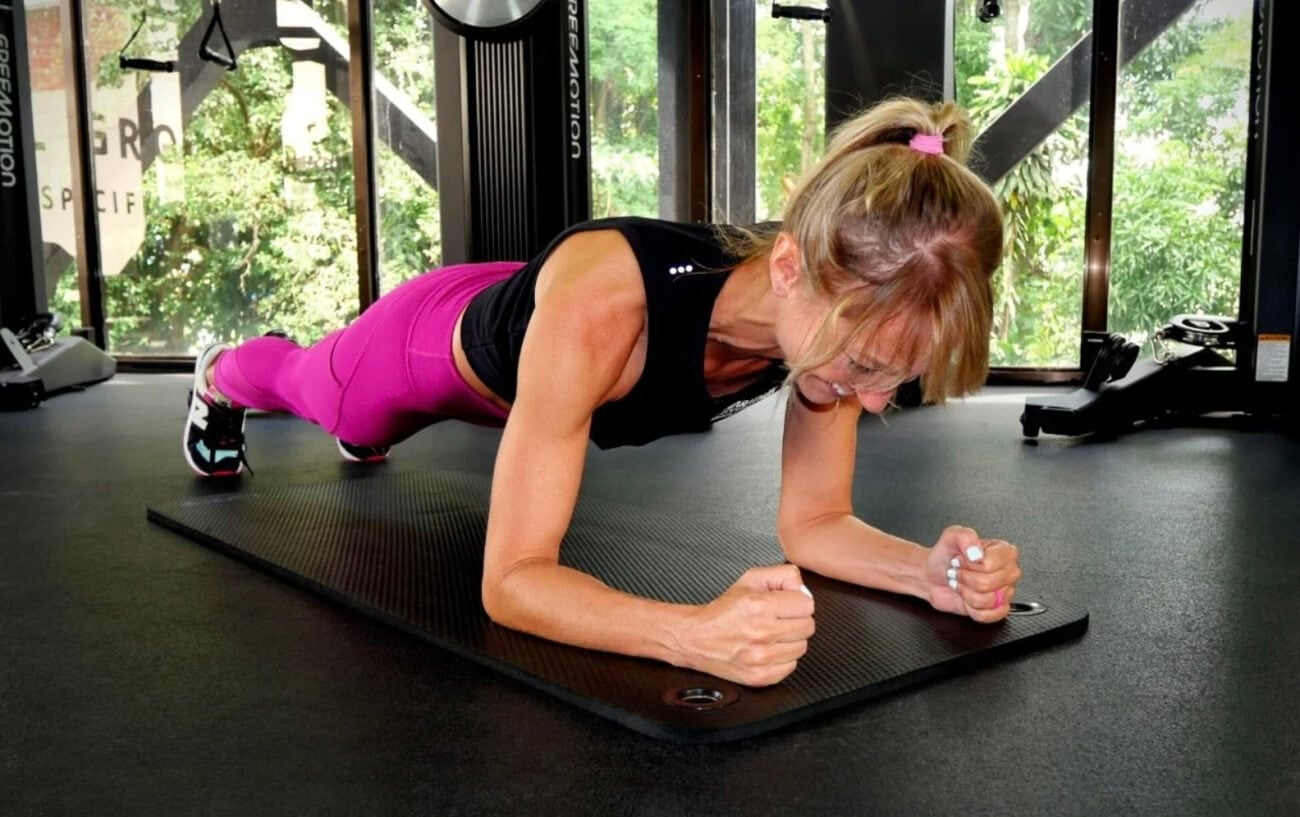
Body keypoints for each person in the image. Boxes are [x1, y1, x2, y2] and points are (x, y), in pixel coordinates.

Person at [182, 97, 1022, 687]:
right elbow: (510, 581)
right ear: (789, 269)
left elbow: (814, 522)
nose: (871, 401)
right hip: (425, 344)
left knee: (376, 435)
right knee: (321, 392)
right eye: (866, 368)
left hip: (534, 332)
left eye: (893, 379)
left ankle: (363, 431)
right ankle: (221, 370)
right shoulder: (608, 305)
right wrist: (689, 635)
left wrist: (927, 573)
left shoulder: (826, 330)